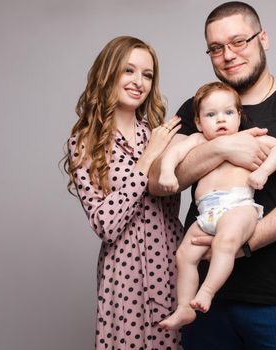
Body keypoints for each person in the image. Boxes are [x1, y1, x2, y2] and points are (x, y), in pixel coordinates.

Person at [148, 2, 276, 349]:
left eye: (239, 41)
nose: (228, 55)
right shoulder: (199, 107)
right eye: (216, 48)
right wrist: (222, 149)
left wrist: (244, 244)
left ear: (263, 39)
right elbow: (157, 180)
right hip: (203, 304)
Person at [64, 36, 183, 350]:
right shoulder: (84, 143)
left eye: (147, 74)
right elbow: (105, 223)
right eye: (128, 70)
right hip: (124, 277)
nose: (138, 81)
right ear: (108, 74)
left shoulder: (160, 133)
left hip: (172, 269)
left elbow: (218, 118)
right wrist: (146, 160)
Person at [158, 82, 276, 330]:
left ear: (239, 116)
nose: (221, 120)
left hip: (239, 207)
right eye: (211, 115)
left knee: (224, 242)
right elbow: (172, 155)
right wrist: (166, 172)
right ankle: (185, 307)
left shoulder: (250, 137)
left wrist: (263, 171)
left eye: (228, 113)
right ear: (198, 123)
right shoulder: (198, 140)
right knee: (183, 255)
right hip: (206, 214)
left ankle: (207, 290)